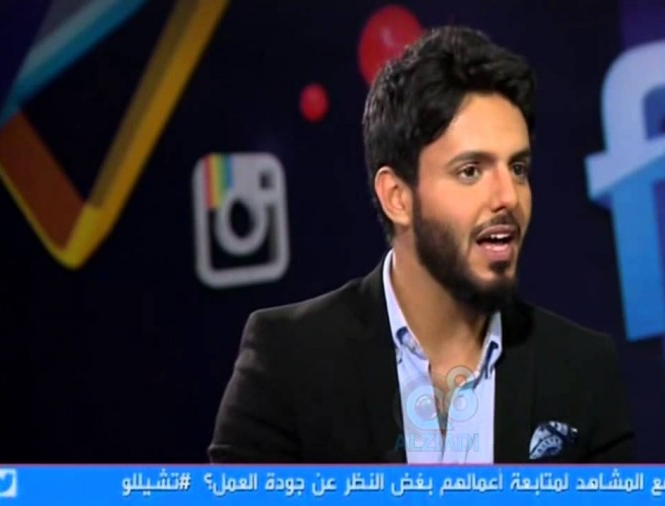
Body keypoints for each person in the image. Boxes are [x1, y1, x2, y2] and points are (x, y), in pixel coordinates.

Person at [208, 26, 634, 464]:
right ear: (398, 197)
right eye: (471, 171)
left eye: (518, 168)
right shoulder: (288, 362)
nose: (509, 196)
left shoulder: (582, 370)